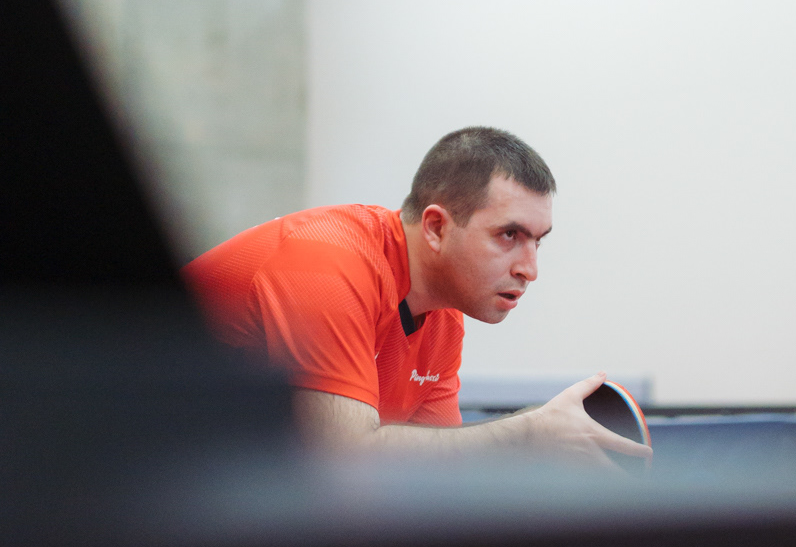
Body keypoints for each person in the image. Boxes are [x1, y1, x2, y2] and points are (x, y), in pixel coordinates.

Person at [185, 126, 648, 469]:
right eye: (509, 235)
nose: (530, 268)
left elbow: (429, 477)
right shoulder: (327, 265)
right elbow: (345, 464)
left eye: (537, 241)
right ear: (436, 227)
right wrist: (528, 431)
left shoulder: (443, 318)